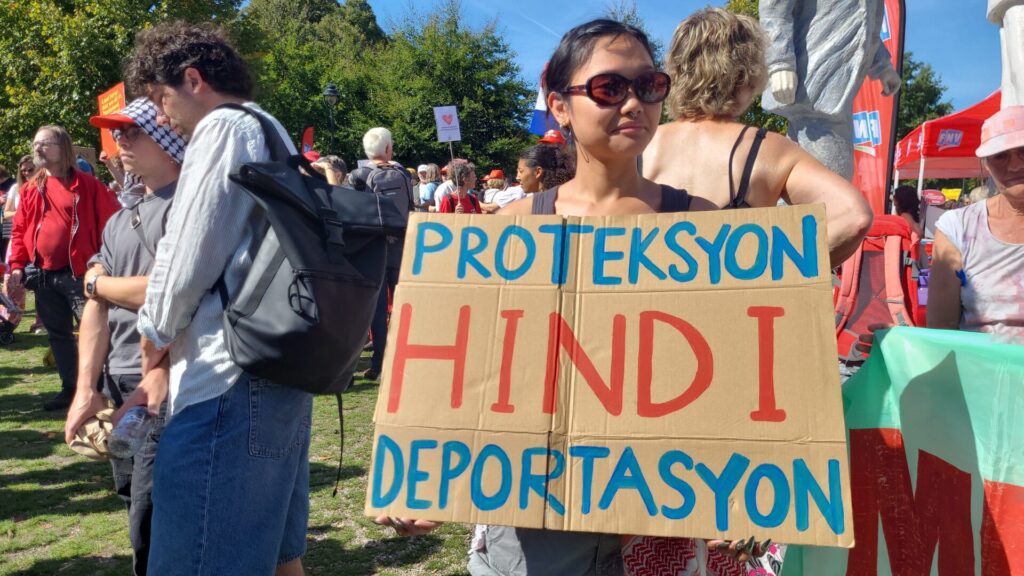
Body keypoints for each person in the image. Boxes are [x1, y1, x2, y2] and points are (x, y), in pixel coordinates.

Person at [376, 18, 760, 575]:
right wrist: (426, 482)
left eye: (650, 85)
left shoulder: (706, 227)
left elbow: (741, 374)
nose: (635, 103)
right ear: (559, 106)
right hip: (533, 528)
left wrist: (755, 490)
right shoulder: (512, 227)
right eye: (609, 88)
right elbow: (473, 372)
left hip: (666, 515)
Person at [122, 21, 310, 576]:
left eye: (160, 98)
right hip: (276, 368)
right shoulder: (269, 128)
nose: (161, 117)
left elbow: (187, 257)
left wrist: (153, 336)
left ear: (192, 79)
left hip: (225, 377)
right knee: (276, 557)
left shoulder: (223, 127)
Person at [643, 7, 872, 267]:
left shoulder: (638, 147)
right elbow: (853, 217)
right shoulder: (768, 150)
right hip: (737, 293)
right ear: (746, 76)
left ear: (676, 71)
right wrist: (781, 273)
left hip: (645, 291)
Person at [63, 97, 186, 576]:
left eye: (133, 132)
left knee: (150, 516)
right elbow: (95, 306)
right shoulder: (120, 218)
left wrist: (98, 283)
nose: (120, 142)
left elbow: (163, 292)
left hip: (168, 379)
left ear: (167, 137)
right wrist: (85, 389)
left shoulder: (189, 207)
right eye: (117, 133)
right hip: (121, 380)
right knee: (132, 497)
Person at [6, 125, 120, 411]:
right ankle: (70, 389)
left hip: (80, 274)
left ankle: (103, 389)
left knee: (95, 333)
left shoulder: (88, 186)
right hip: (43, 275)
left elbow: (113, 224)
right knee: (58, 335)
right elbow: (19, 230)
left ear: (63, 147)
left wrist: (102, 263)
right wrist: (17, 265)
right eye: (35, 143)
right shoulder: (31, 188)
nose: (37, 148)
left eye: (44, 143)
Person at [759, 0, 901, 179]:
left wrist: (882, 66)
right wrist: (779, 63)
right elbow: (773, 9)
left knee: (810, 177)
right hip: (813, 82)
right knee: (834, 176)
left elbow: (863, 20)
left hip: (835, 92)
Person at [929, 105, 1024, 342]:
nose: (1015, 165)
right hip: (980, 364)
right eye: (1000, 155)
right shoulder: (957, 228)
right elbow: (941, 330)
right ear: (987, 164)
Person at [348, 127, 415, 381]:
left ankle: (378, 363)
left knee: (376, 308)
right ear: (388, 148)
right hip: (401, 244)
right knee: (402, 303)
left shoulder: (359, 175)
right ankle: (405, 356)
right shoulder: (403, 173)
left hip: (373, 248)